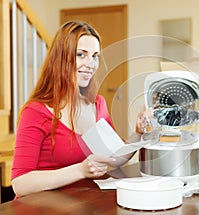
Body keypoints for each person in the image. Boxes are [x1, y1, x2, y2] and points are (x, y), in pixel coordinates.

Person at [11, 20, 149, 198]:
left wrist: (137, 133)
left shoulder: (98, 104)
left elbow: (113, 159)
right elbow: (20, 184)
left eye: (94, 56)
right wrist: (81, 170)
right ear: (61, 58)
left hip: (82, 203)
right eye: (81, 54)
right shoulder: (36, 112)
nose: (90, 63)